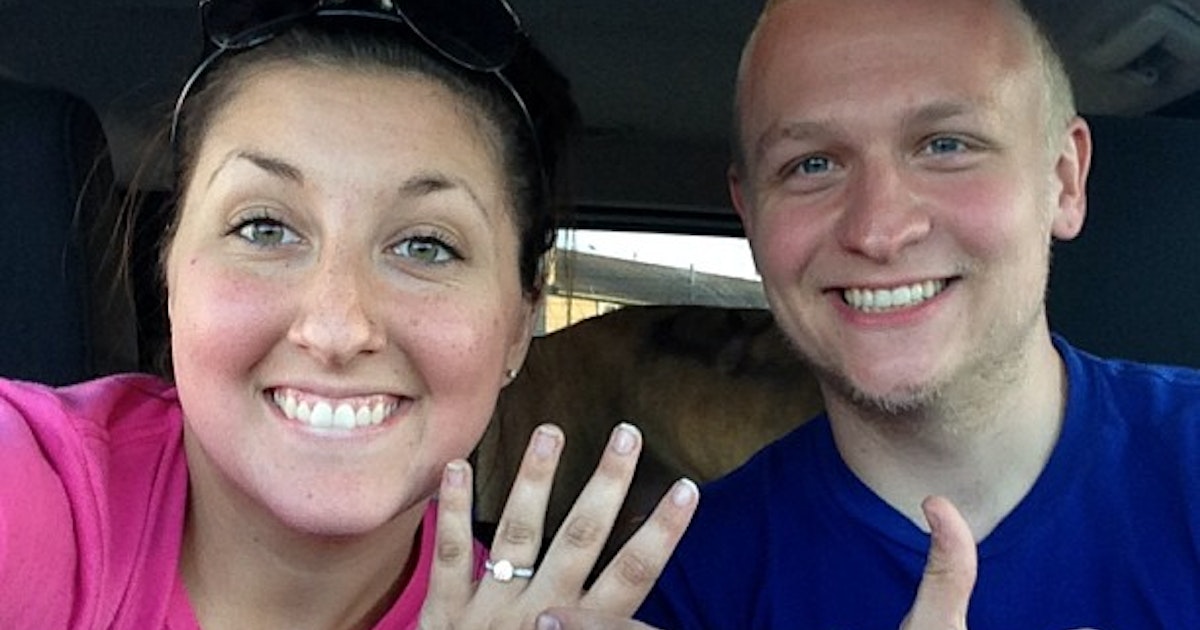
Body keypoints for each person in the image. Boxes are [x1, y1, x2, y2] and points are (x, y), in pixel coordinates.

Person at [0, 1, 698, 628]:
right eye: (264, 229)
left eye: (425, 245)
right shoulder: (31, 492)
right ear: (170, 272)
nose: (336, 329)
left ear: (520, 324)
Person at [627, 0, 1200, 628]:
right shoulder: (684, 587)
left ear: (1063, 180)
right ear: (751, 216)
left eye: (946, 145)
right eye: (811, 164)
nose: (879, 231)